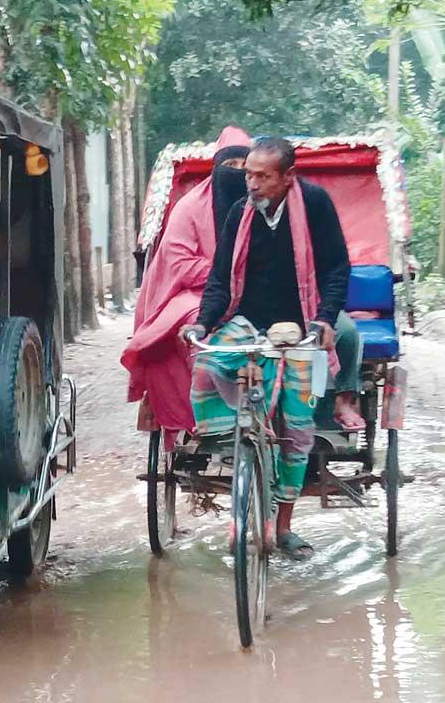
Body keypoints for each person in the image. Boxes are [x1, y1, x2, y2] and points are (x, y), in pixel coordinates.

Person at [192, 136, 352, 560]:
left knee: (298, 428)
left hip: (303, 320)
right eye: (249, 175)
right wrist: (204, 321)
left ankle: (283, 528)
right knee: (209, 361)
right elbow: (220, 278)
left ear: (287, 177)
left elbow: (338, 267)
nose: (253, 184)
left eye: (263, 176)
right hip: (250, 320)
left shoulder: (315, 204)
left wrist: (323, 320)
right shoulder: (239, 212)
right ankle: (242, 451)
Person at [122, 127, 253, 433]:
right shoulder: (190, 206)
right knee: (196, 329)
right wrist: (227, 275)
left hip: (251, 292)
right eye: (230, 166)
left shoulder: (261, 204)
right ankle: (209, 420)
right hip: (193, 293)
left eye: (244, 167)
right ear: (216, 168)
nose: (238, 173)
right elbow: (180, 263)